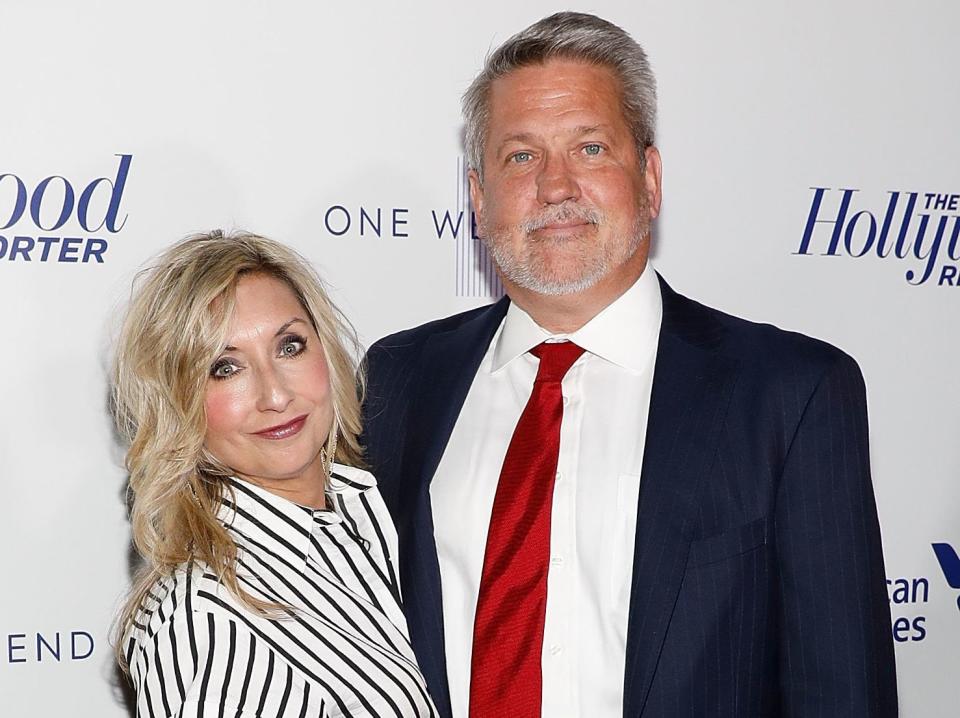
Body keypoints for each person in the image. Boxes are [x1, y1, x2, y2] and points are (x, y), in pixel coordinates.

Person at [362, 12, 897, 718]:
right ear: (479, 196)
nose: (556, 187)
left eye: (589, 148)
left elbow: (842, 693)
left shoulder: (790, 393)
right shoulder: (400, 378)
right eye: (520, 156)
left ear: (649, 178)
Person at [113, 231, 436, 717]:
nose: (275, 395)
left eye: (289, 346)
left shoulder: (382, 518)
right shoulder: (201, 616)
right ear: (180, 404)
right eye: (225, 368)